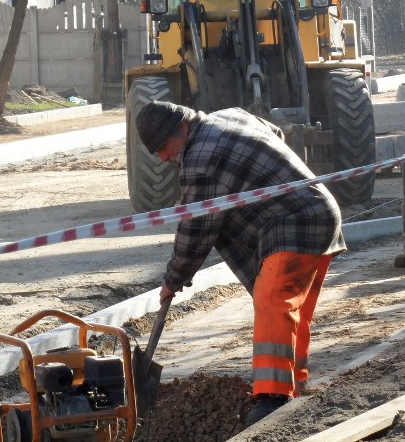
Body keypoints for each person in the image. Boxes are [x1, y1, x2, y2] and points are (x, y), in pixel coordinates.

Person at [135, 102, 345, 426]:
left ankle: (272, 399)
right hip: (320, 213)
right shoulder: (230, 115)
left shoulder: (199, 159)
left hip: (297, 224)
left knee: (272, 301)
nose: (163, 158)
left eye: (164, 147)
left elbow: (195, 231)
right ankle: (294, 385)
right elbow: (273, 135)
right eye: (157, 153)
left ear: (182, 129)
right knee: (292, 314)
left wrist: (172, 280)